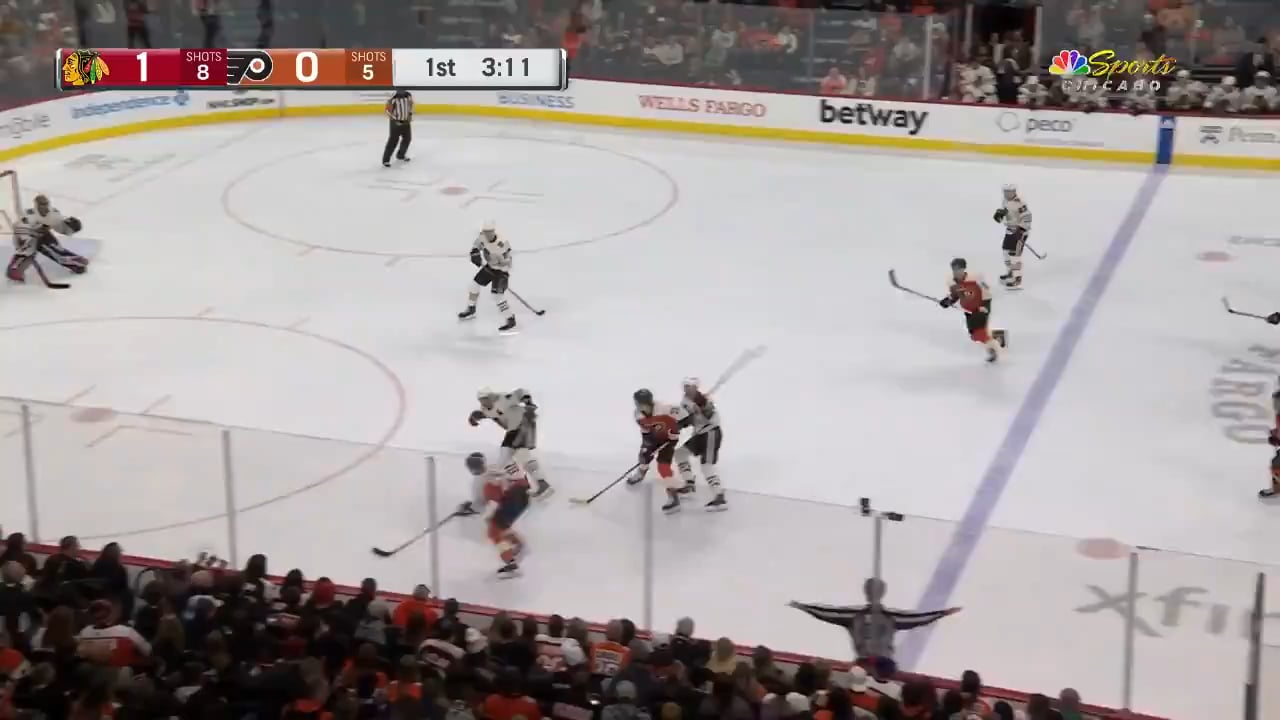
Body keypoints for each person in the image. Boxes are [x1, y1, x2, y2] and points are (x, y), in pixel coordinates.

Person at [383, 89, 413, 167]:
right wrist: (395, 120)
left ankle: (401, 155)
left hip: (406, 121)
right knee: (393, 141)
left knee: (407, 139)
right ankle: (386, 160)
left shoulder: (408, 95)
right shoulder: (393, 97)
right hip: (395, 123)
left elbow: (410, 104)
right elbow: (387, 110)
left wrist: (410, 114)